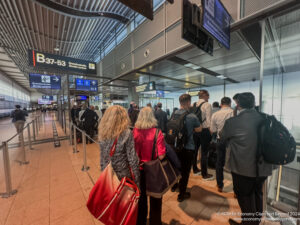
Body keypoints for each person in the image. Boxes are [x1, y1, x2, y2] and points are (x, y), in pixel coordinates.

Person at [220, 93, 273, 225]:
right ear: (254, 103)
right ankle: (255, 221)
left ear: (238, 104)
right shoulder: (266, 118)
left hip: (242, 169)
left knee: (245, 198)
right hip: (263, 168)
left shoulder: (233, 122)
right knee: (258, 194)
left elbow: (222, 138)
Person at [133, 107, 166, 225]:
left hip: (139, 169)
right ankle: (155, 222)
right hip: (153, 170)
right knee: (155, 198)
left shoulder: (135, 131)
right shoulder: (157, 132)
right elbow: (161, 155)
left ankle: (140, 221)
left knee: (141, 199)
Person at [98, 105, 140, 194]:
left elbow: (102, 156)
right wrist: (137, 181)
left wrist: (103, 173)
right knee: (124, 202)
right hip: (123, 175)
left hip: (108, 174)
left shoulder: (102, 132)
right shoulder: (127, 133)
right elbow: (132, 159)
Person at [173, 94, 202, 202]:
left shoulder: (174, 113)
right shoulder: (192, 116)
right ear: (189, 102)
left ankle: (174, 186)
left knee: (176, 168)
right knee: (185, 172)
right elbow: (199, 129)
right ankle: (182, 194)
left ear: (180, 102)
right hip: (187, 147)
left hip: (175, 147)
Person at [210, 97, 233, 192]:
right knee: (233, 164)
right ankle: (236, 189)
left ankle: (220, 185)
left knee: (219, 162)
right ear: (230, 103)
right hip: (232, 141)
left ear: (221, 104)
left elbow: (213, 130)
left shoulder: (215, 114)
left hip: (220, 141)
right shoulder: (234, 113)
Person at [193, 90, 213, 179]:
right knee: (204, 153)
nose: (209, 97)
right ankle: (204, 174)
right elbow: (208, 120)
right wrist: (211, 131)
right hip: (204, 130)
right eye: (208, 95)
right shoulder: (207, 105)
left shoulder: (194, 104)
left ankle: (195, 169)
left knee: (195, 151)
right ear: (204, 95)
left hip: (195, 130)